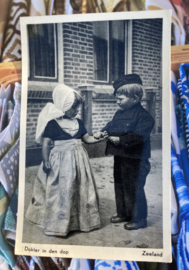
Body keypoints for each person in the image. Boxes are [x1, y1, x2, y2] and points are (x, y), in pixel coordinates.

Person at [25, 84, 106, 237]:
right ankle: (58, 223)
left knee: (78, 186)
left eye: (77, 108)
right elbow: (46, 144)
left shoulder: (78, 123)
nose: (76, 111)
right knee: (60, 189)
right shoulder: (53, 123)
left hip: (78, 159)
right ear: (63, 106)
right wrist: (46, 160)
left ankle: (78, 221)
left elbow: (87, 139)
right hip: (59, 161)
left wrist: (98, 137)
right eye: (73, 108)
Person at [94, 74, 155, 230]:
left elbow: (140, 136)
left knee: (134, 188)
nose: (117, 102)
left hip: (136, 159)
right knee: (120, 185)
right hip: (121, 157)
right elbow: (111, 125)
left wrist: (121, 140)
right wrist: (103, 132)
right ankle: (123, 213)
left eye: (120, 99)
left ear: (135, 98)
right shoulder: (119, 113)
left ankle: (139, 219)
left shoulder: (144, 117)